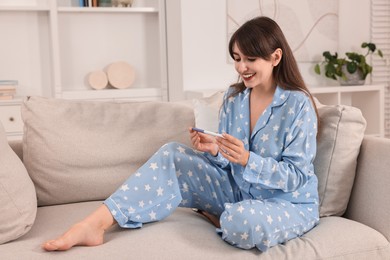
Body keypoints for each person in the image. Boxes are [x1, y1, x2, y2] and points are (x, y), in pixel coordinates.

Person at [42, 16, 320, 252]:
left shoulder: (297, 105)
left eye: (250, 59)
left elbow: (296, 176)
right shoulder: (234, 98)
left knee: (241, 221)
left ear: (276, 57)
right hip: (237, 190)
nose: (240, 68)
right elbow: (227, 165)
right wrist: (215, 149)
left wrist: (248, 159)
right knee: (172, 155)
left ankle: (220, 217)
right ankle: (95, 224)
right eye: (236, 59)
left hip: (285, 202)